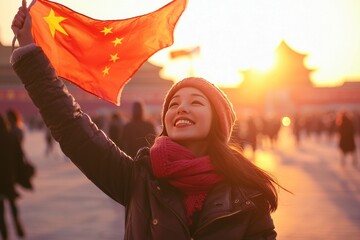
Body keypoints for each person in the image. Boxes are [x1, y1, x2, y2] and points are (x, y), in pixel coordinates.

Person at [11, 7, 285, 239]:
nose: (181, 108)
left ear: (219, 122)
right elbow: (71, 125)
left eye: (196, 102)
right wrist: (30, 53)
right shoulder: (138, 180)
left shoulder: (248, 194)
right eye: (174, 104)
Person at [0, 115, 25, 240]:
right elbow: (20, 157)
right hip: (10, 177)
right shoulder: (11, 137)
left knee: (0, 209)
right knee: (12, 202)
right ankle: (17, 224)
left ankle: (4, 234)